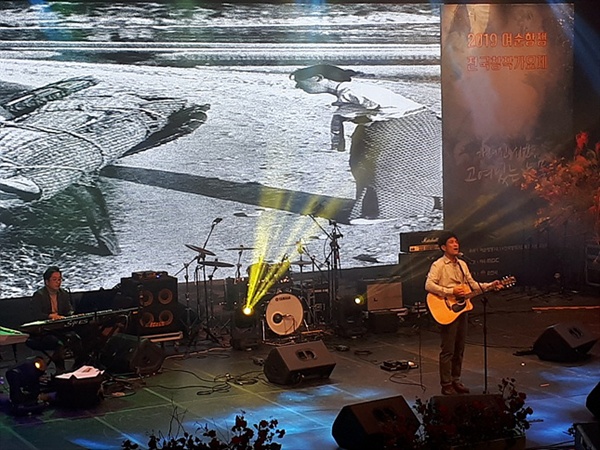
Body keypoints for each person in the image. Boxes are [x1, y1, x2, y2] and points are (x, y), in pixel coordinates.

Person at [290, 64, 442, 220]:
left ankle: (388, 210)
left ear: (318, 78)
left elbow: (378, 108)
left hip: (411, 128)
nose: (297, 86)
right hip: (414, 125)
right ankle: (390, 205)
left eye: (299, 82)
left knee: (381, 168)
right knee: (365, 162)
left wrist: (359, 118)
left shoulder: (351, 92)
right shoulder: (349, 91)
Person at [425, 231, 501, 395]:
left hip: (462, 310)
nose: (455, 244)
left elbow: (473, 285)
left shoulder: (462, 264)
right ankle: (446, 384)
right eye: (451, 242)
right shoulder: (438, 265)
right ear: (443, 247)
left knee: (459, 347)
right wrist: (450, 291)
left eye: (456, 241)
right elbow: (429, 285)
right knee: (448, 349)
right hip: (446, 309)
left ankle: (455, 379)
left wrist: (491, 285)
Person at [26, 266, 84, 373]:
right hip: (44, 331)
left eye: (60, 279)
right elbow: (36, 314)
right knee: (58, 343)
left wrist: (72, 315)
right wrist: (50, 316)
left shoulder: (64, 294)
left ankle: (78, 367)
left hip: (60, 328)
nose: (58, 282)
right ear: (47, 281)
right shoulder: (39, 295)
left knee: (77, 339)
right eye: (55, 280)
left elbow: (68, 310)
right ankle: (60, 370)